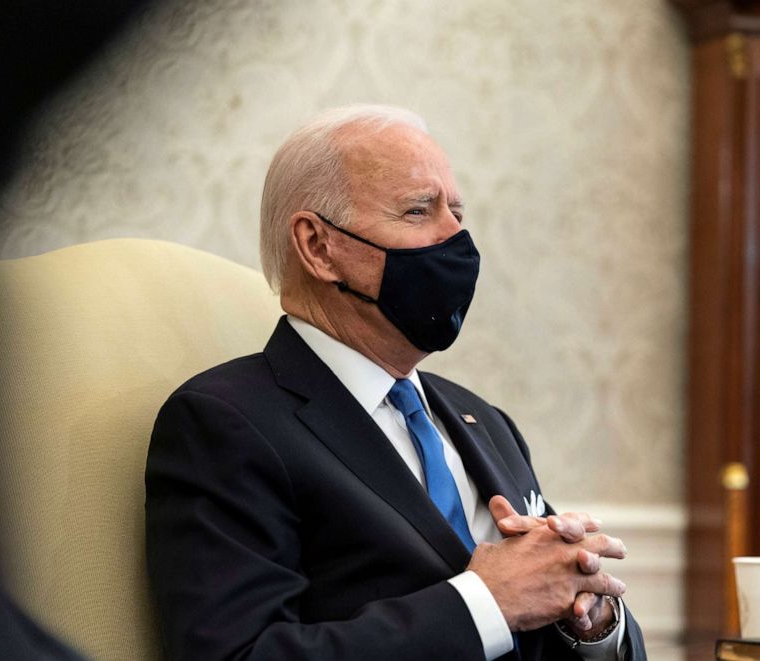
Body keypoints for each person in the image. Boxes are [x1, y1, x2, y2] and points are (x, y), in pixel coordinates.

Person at [145, 105, 646, 660]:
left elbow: (549, 606)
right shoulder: (225, 422)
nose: (457, 238)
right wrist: (485, 603)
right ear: (317, 246)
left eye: (457, 212)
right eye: (417, 211)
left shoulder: (486, 421)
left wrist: (590, 620)